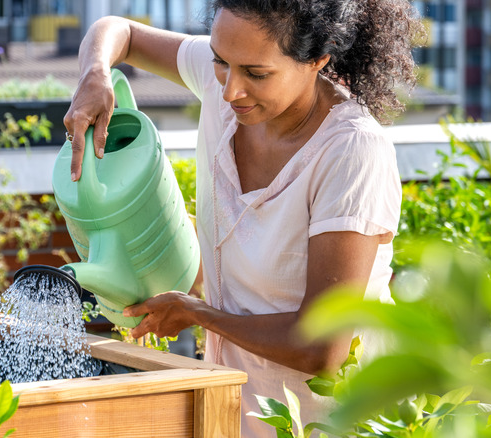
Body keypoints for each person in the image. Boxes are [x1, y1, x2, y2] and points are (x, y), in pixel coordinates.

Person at [63, 0, 418, 435]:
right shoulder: (231, 82)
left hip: (329, 417)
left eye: (256, 74)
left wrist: (198, 314)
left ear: (318, 60)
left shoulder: (351, 151)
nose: (230, 90)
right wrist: (94, 74)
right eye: (219, 61)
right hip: (234, 404)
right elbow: (119, 32)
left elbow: (322, 346)